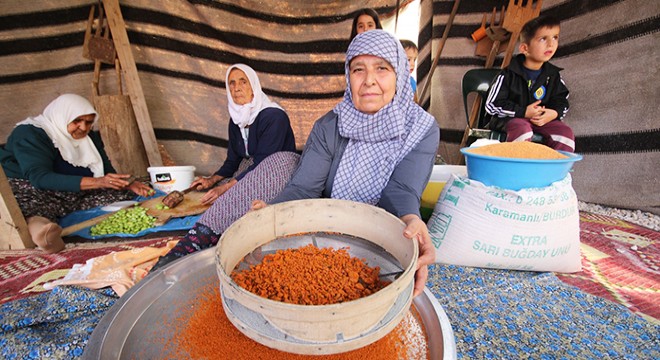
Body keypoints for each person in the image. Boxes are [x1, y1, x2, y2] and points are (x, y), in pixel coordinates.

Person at [253, 30, 440, 298]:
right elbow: (304, 188)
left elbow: (401, 190)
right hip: (328, 239)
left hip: (384, 238)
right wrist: (270, 213)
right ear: (347, 76)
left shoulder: (421, 128)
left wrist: (412, 220)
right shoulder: (330, 125)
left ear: (399, 73)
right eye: (358, 70)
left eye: (382, 69)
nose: (369, 81)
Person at [0, 94, 153, 253]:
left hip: (72, 190)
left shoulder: (89, 136)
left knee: (120, 197)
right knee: (33, 207)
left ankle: (55, 222)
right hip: (31, 187)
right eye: (77, 121)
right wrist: (99, 182)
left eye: (88, 122)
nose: (84, 128)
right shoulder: (30, 133)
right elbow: (39, 178)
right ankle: (42, 232)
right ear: (62, 116)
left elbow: (106, 171)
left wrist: (127, 183)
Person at [190, 64, 296, 205]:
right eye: (232, 83)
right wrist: (212, 180)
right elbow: (232, 161)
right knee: (211, 195)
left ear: (253, 87)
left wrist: (225, 188)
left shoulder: (274, 116)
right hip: (252, 171)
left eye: (243, 82)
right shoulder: (236, 120)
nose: (237, 88)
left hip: (278, 174)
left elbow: (263, 164)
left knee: (232, 199)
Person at [484, 15, 575, 152]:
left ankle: (554, 172)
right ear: (525, 48)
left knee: (565, 134)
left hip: (541, 121)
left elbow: (561, 100)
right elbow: (492, 105)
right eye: (543, 39)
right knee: (523, 130)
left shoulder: (553, 75)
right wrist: (523, 112)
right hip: (512, 120)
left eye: (555, 37)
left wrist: (554, 113)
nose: (551, 44)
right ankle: (519, 170)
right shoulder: (508, 75)